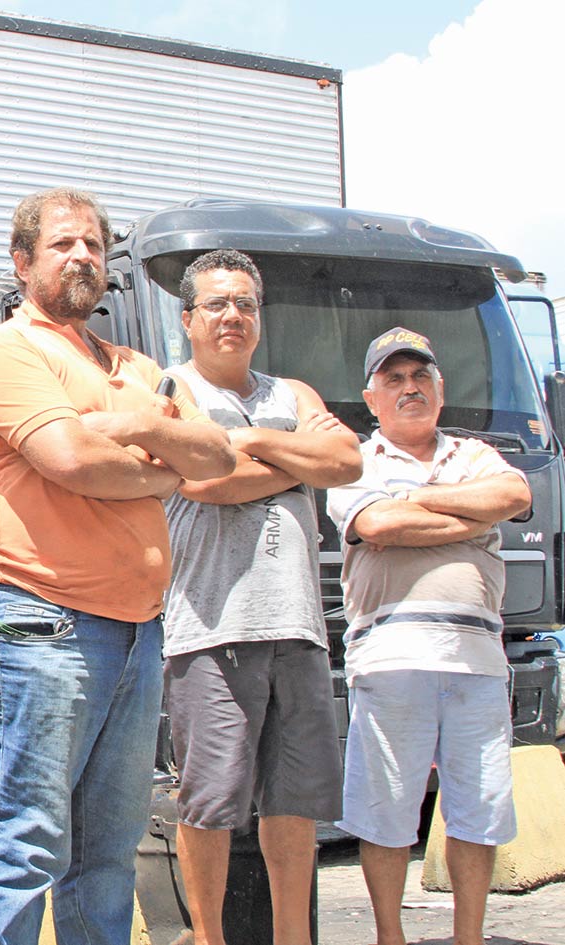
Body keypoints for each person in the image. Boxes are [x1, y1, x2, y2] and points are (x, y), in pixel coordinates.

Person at [0, 187, 235, 945]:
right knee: (27, 841)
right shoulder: (7, 350)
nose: (82, 256)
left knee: (108, 853)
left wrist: (136, 424)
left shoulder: (137, 367)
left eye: (93, 245)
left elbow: (216, 456)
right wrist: (163, 466)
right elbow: (72, 458)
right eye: (62, 244)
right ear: (22, 262)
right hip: (41, 625)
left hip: (138, 631)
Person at [161, 249, 361, 945]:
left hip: (299, 628)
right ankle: (209, 938)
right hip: (210, 627)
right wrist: (295, 461)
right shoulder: (172, 390)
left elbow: (346, 461)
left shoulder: (294, 392)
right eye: (217, 303)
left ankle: (293, 937)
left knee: (294, 800)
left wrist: (245, 440)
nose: (233, 316)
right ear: (188, 319)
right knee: (210, 799)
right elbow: (202, 482)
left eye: (245, 304)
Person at [326, 327, 531, 945]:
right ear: (372, 398)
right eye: (394, 379)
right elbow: (379, 525)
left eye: (420, 377)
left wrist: (417, 501)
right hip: (390, 657)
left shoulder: (475, 453)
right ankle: (390, 937)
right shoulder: (355, 460)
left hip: (478, 661)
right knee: (385, 812)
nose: (409, 388)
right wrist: (470, 518)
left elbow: (514, 493)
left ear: (440, 390)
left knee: (477, 810)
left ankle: (469, 938)